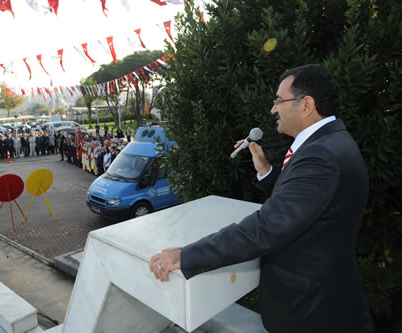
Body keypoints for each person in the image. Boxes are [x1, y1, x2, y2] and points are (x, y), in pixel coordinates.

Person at [149, 64, 374, 333]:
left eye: (279, 100)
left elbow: (266, 228)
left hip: (311, 313)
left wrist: (186, 255)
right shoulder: (332, 143)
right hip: (324, 300)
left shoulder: (320, 157)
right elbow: (307, 205)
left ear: (306, 105)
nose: (273, 109)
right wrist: (266, 171)